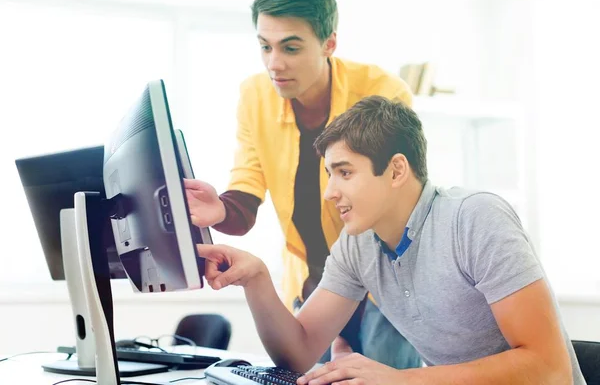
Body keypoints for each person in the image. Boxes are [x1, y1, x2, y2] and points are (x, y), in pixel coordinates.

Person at [196, 95, 586, 384]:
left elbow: (549, 367)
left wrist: (399, 380)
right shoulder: (358, 245)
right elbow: (297, 353)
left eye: (344, 173)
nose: (330, 192)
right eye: (330, 174)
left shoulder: (476, 218)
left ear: (397, 170)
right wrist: (257, 280)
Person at [185, 0, 421, 368]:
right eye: (265, 46)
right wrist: (221, 209)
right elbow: (247, 185)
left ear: (329, 44)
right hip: (313, 281)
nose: (274, 63)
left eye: (290, 48)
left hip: (385, 285)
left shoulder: (382, 93)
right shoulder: (254, 95)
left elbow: (397, 203)